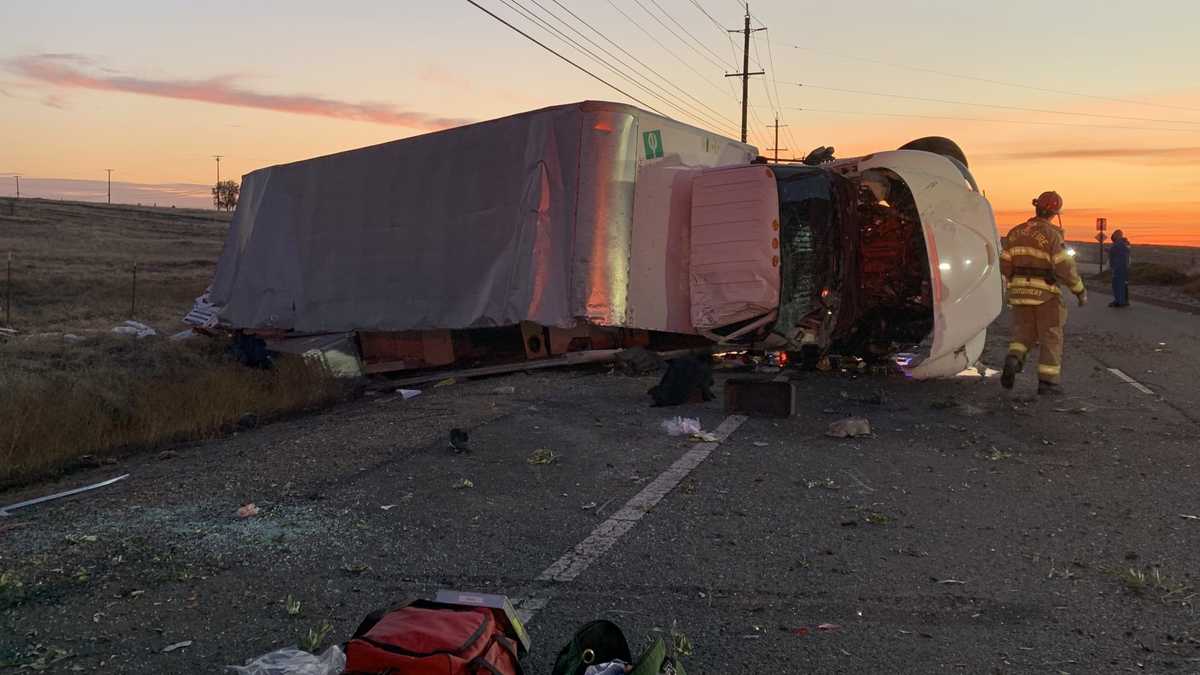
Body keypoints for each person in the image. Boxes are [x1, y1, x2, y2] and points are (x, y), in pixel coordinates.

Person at [999, 191, 1087, 395]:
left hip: (1019, 293)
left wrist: (1014, 280)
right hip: (1046, 295)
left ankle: (1014, 357)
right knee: (1051, 336)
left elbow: (1004, 263)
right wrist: (1079, 291)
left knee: (1023, 333)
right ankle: (1047, 383)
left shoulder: (1015, 232)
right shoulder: (1052, 234)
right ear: (1055, 212)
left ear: (1036, 207)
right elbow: (1064, 267)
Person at [1109, 229, 1131, 307]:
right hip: (1123, 266)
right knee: (1123, 284)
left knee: (1118, 284)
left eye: (1115, 235)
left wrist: (1108, 250)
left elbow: (1113, 253)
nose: (1113, 236)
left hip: (1119, 267)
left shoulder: (1119, 244)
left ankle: (1119, 301)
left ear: (1118, 235)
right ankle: (1123, 300)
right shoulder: (1125, 244)